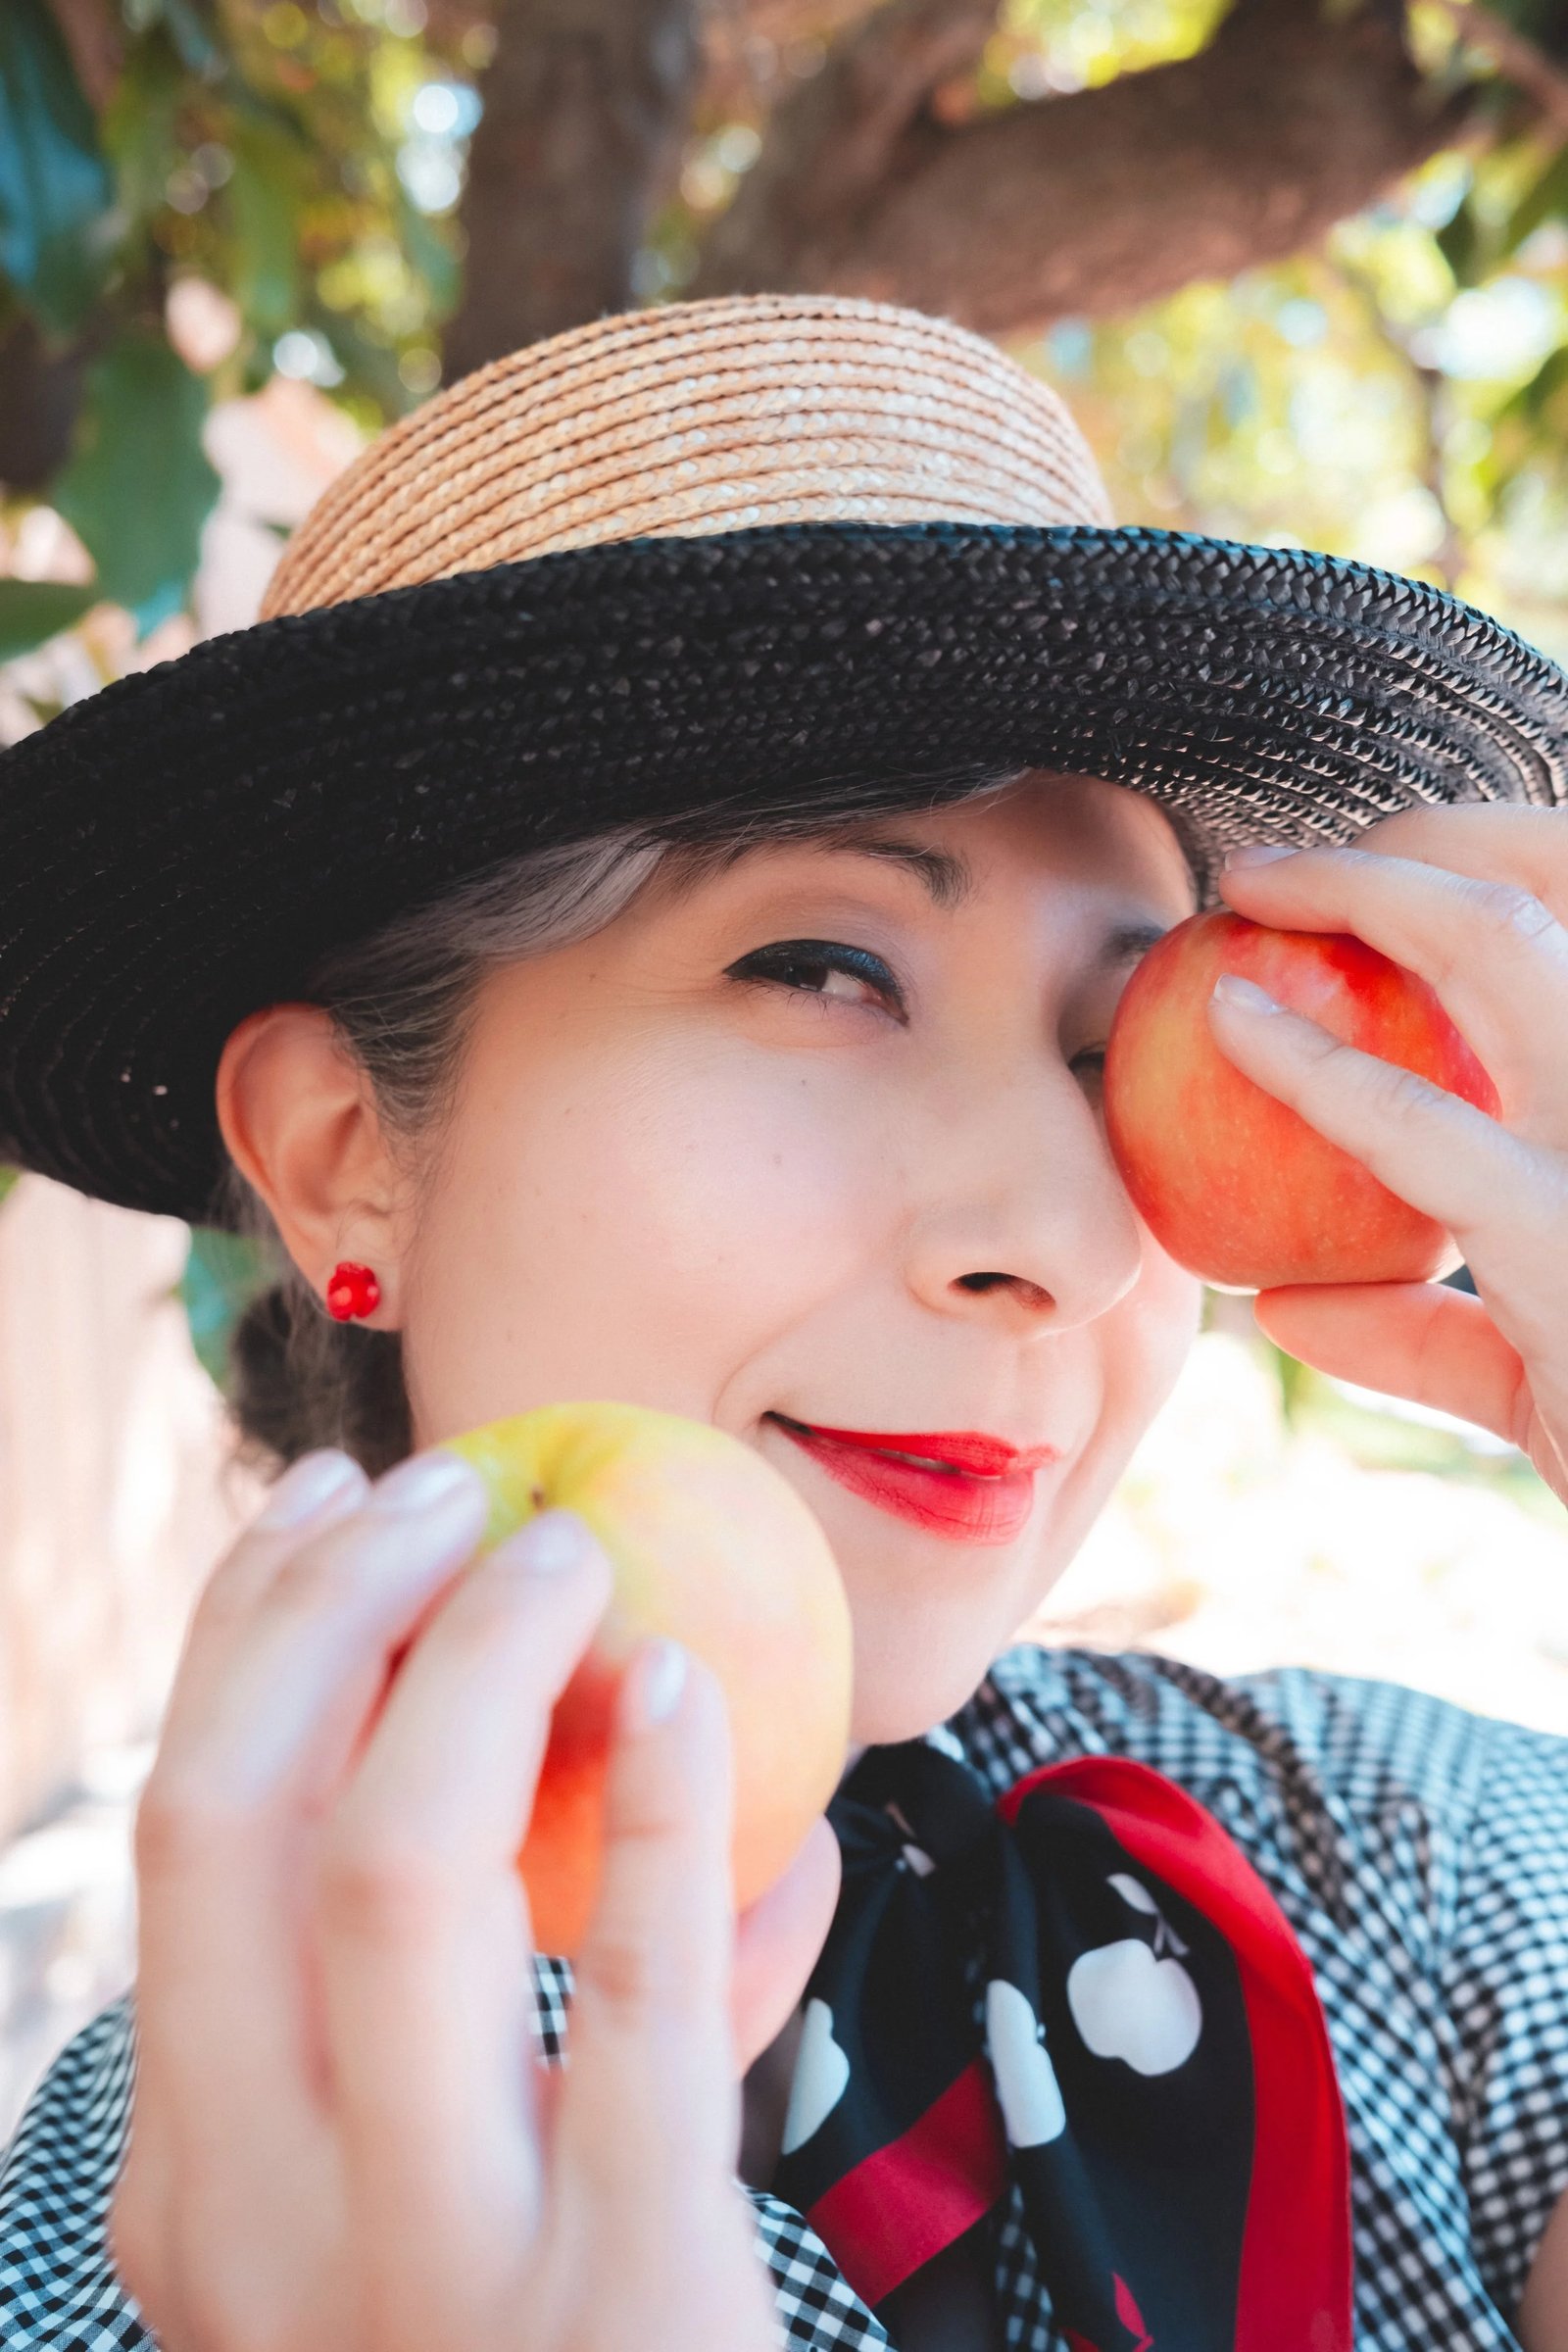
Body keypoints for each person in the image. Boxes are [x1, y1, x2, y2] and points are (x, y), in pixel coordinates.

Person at [0, 290, 1566, 2352]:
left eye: (1119, 1042)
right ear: (338, 1151)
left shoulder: (1409, 1856)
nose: (1064, 1244)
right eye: (824, 968)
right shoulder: (175, 2237)